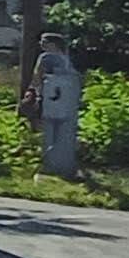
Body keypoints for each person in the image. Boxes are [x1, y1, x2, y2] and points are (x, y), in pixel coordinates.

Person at [30, 36, 84, 179]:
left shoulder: (46, 58)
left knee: (48, 131)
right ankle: (64, 164)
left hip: (50, 99)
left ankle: (50, 164)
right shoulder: (69, 60)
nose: (41, 44)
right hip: (68, 102)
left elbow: (37, 76)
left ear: (53, 44)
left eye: (44, 42)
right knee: (65, 134)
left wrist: (34, 92)